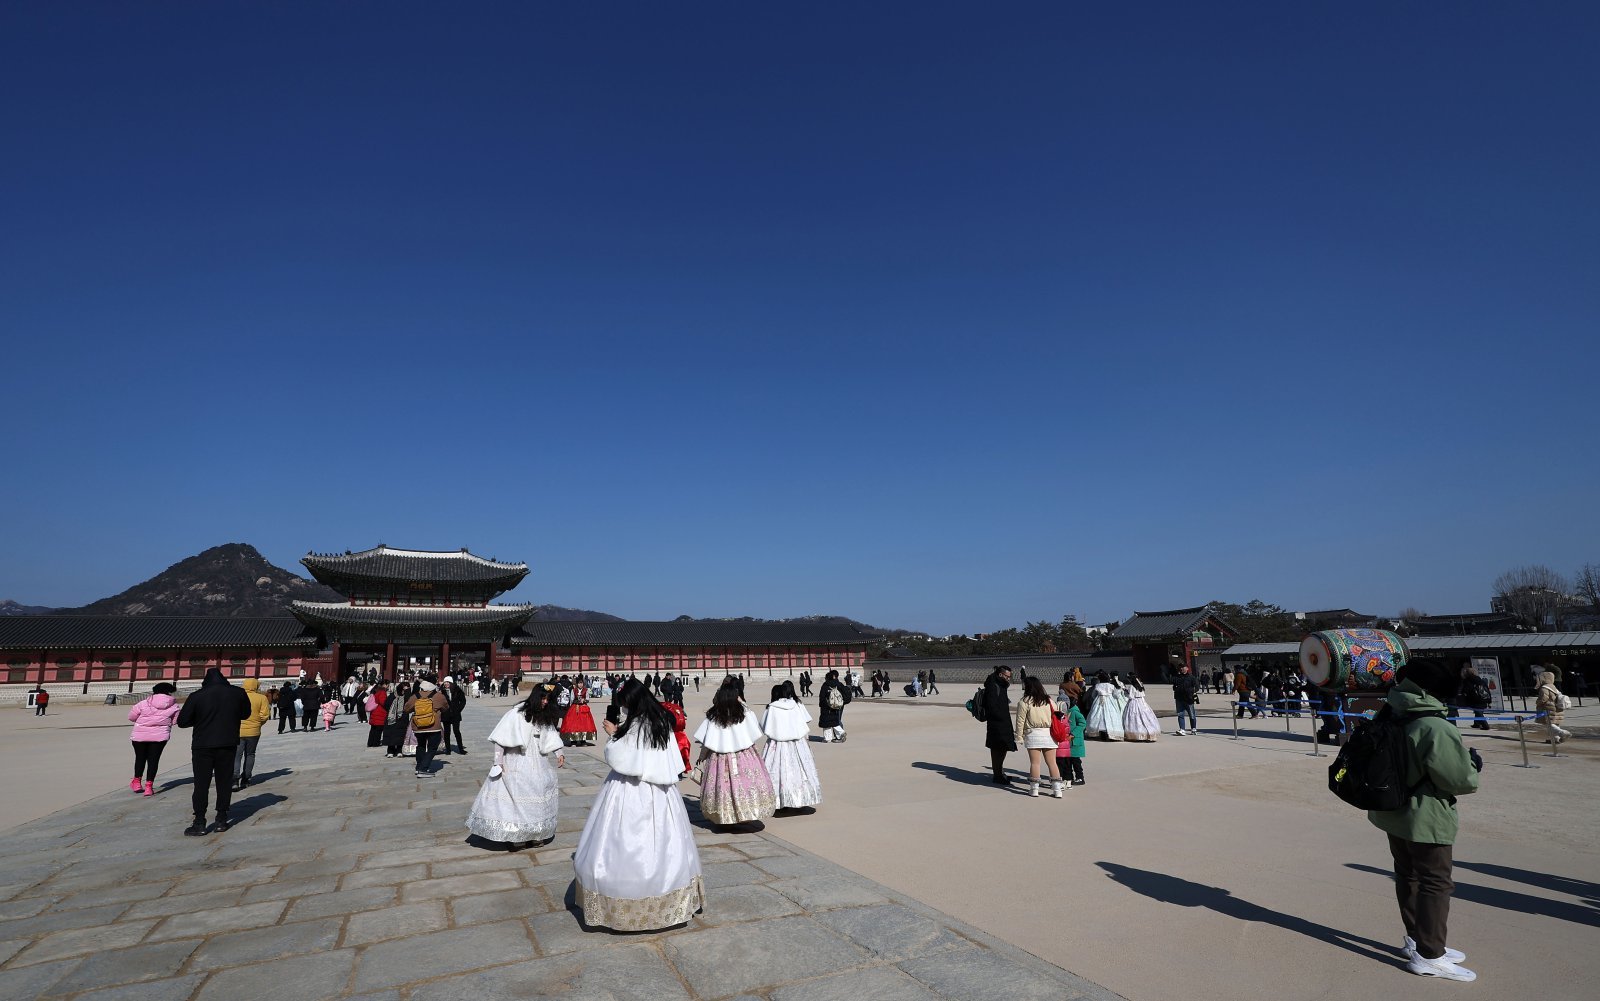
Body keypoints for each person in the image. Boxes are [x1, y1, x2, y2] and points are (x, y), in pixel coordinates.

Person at [1367, 657, 1482, 982]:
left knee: (1407, 875)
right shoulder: (1434, 725)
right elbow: (1460, 780)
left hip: (1392, 809)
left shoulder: (1390, 710)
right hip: (1426, 814)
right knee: (1435, 881)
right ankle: (1431, 954)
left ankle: (1418, 938)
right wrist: (1473, 765)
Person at [573, 680, 704, 931]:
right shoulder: (661, 722)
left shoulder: (636, 727)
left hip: (631, 791)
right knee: (667, 844)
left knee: (622, 842)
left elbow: (620, 758)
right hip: (662, 793)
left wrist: (614, 734)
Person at [467, 683, 566, 849]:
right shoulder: (516, 714)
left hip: (539, 761)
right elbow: (500, 739)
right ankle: (517, 835)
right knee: (517, 798)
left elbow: (551, 736)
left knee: (539, 795)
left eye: (548, 699)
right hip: (517, 759)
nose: (545, 702)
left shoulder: (545, 716)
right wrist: (498, 761)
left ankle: (536, 833)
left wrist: (559, 752)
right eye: (543, 698)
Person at [175, 667, 251, 836]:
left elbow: (182, 721)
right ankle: (221, 819)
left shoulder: (197, 696)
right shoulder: (238, 693)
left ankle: (199, 822)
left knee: (201, 783)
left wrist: (200, 719)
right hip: (228, 743)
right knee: (224, 781)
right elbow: (246, 714)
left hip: (203, 744)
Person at [693, 679, 777, 827]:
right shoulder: (743, 713)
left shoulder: (713, 716)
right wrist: (741, 702)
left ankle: (726, 816)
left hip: (719, 758)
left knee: (722, 787)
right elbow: (753, 729)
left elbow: (707, 741)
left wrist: (702, 756)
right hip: (744, 754)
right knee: (747, 783)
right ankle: (744, 813)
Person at [761, 681, 821, 810]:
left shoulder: (772, 707)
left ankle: (779, 800)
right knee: (800, 771)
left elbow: (765, 727)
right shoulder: (795, 705)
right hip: (797, 743)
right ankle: (801, 798)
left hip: (777, 744)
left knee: (778, 771)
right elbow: (803, 721)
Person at [127, 682, 180, 797]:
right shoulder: (174, 706)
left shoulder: (143, 703)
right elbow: (175, 721)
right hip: (160, 736)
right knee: (154, 760)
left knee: (140, 758)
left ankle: (137, 782)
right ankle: (149, 787)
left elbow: (131, 717)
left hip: (140, 735)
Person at [1014, 676, 1063, 798]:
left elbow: (1020, 720)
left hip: (1033, 734)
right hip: (1049, 734)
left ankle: (1034, 789)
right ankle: (1057, 790)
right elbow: (1057, 715)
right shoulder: (1049, 700)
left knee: (1035, 763)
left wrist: (1019, 736)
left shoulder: (1024, 702)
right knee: (1052, 763)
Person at [234, 679, 272, 790]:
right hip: (254, 731)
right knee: (250, 754)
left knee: (236, 755)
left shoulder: (237, 697)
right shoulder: (261, 698)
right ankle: (246, 779)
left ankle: (234, 780)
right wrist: (258, 724)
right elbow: (265, 715)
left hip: (238, 731)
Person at [981, 665, 1015, 784]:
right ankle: (997, 775)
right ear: (1000, 674)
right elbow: (991, 705)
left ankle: (1000, 772)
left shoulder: (1001, 684)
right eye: (1007, 676)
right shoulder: (993, 685)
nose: (1008, 679)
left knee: (1003, 748)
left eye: (1009, 677)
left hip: (1003, 722)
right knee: (997, 749)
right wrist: (1000, 718)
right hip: (997, 723)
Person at [407, 680, 448, 777]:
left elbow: (406, 709)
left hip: (418, 726)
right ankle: (423, 769)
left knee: (420, 745)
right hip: (433, 726)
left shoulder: (415, 696)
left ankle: (418, 767)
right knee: (432, 747)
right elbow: (445, 707)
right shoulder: (439, 696)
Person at [1056, 682, 1087, 786]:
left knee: (1076, 761)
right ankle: (1069, 777)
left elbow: (1083, 723)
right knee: (1068, 761)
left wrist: (1073, 733)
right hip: (1068, 742)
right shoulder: (1065, 713)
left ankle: (1080, 777)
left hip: (1075, 741)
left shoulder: (1075, 712)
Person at [1084, 671, 1124, 741]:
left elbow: (1093, 695)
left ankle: (1100, 733)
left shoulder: (1097, 685)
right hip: (1110, 701)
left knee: (1098, 716)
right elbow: (1116, 695)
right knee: (1111, 716)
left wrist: (1098, 698)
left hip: (1099, 700)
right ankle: (1111, 733)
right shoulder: (1111, 686)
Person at [1536, 671, 1571, 744]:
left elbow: (1543, 699)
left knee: (1549, 724)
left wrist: (1537, 702)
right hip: (1557, 708)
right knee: (1555, 724)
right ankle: (1555, 739)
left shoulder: (1544, 688)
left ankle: (1562, 733)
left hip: (1548, 709)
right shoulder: (1554, 687)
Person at [817, 669, 851, 742]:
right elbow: (845, 694)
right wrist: (842, 703)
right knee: (835, 721)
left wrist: (822, 705)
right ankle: (840, 734)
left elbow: (822, 696)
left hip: (827, 706)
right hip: (838, 706)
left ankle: (828, 738)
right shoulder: (839, 684)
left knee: (826, 722)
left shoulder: (825, 685)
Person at [1122, 676, 1160, 742]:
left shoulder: (1132, 687)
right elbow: (1143, 694)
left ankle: (1137, 734)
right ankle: (1148, 733)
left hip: (1134, 702)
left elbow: (1131, 696)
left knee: (1134, 718)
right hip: (1142, 702)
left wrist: (1126, 692)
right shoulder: (1140, 685)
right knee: (1145, 716)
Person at [1456, 663, 1492, 731]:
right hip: (1484, 698)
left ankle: (1485, 725)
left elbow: (1466, 690)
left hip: (1475, 699)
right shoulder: (1480, 680)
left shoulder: (1467, 680)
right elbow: (1487, 690)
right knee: (1478, 711)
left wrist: (1462, 695)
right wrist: (1489, 700)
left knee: (1478, 712)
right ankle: (1476, 723)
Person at [561, 682, 598, 747]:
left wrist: (584, 700)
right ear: (577, 684)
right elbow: (571, 700)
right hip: (575, 708)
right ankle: (573, 740)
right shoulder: (573, 690)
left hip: (583, 708)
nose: (580, 685)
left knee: (584, 725)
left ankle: (583, 740)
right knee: (573, 724)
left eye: (581, 683)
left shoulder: (585, 690)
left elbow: (588, 699)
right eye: (579, 683)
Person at [440, 678, 468, 754]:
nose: (446, 684)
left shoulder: (457, 690)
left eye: (448, 682)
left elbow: (463, 701)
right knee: (447, 732)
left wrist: (458, 709)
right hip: (445, 714)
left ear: (451, 683)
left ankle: (460, 749)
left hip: (455, 714)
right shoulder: (441, 691)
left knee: (456, 731)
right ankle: (448, 749)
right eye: (445, 682)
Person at [1172, 663, 1200, 735]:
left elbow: (1197, 687)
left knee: (1192, 714)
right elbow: (1172, 682)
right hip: (1179, 698)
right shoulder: (1177, 677)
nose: (1182, 668)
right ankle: (1182, 729)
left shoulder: (1191, 677)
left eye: (1183, 667)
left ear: (1187, 668)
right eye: (1180, 667)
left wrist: (1191, 692)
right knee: (1180, 714)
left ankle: (1193, 728)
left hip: (1189, 699)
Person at [366, 682, 390, 748]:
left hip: (374, 712)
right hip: (380, 712)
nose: (388, 686)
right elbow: (382, 702)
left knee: (373, 729)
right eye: (387, 685)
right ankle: (376, 743)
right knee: (378, 729)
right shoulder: (382, 692)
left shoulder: (376, 691)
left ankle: (370, 743)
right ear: (384, 685)